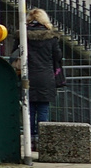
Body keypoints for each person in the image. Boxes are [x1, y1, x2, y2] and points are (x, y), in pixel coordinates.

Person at [21, 7, 64, 139]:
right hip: (46, 77)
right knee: (43, 109)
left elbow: (16, 54)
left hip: (27, 76)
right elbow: (58, 56)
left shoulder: (23, 36)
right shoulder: (51, 38)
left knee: (30, 109)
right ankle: (42, 138)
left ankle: (31, 138)